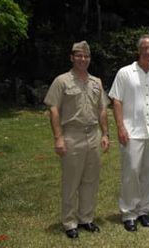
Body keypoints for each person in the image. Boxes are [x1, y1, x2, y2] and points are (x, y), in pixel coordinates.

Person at [44, 41, 110, 238]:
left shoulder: (96, 82)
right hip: (72, 135)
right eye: (79, 56)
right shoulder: (62, 81)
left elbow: (103, 109)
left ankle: (86, 218)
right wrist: (58, 138)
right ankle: (69, 222)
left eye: (86, 56)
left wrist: (105, 133)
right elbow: (54, 109)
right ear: (72, 58)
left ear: (89, 59)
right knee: (71, 181)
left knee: (90, 180)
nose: (83, 59)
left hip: (93, 135)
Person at [108, 34, 149, 232]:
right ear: (139, 50)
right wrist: (120, 127)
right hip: (132, 131)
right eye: (145, 48)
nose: (148, 51)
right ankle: (129, 213)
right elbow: (117, 101)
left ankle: (144, 211)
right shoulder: (125, 73)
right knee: (131, 172)